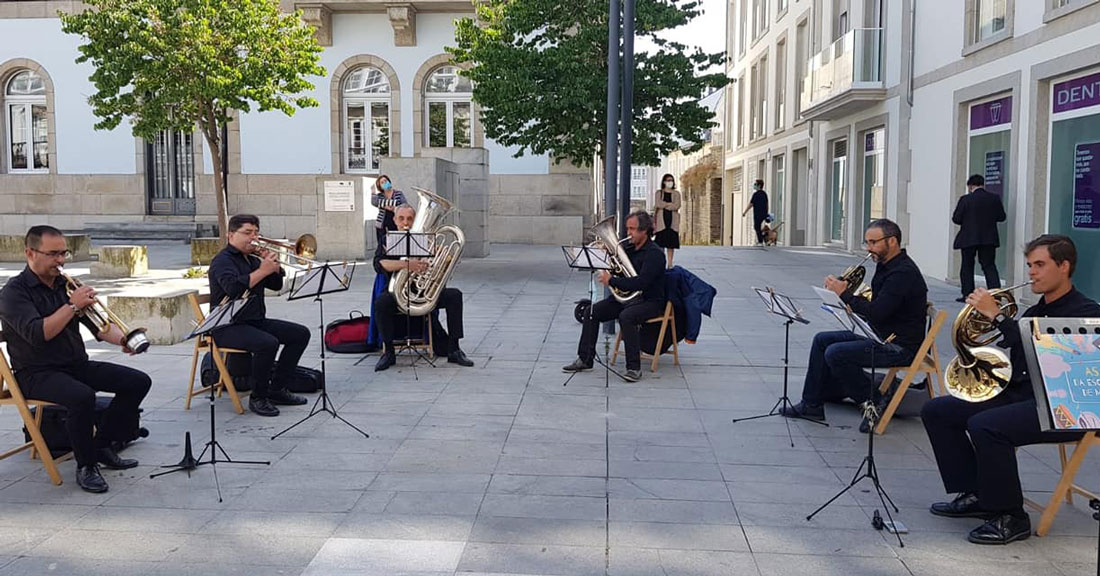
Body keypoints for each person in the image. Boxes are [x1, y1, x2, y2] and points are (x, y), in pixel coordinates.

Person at [922, 235, 1100, 545]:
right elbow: (1016, 352)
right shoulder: (1035, 311)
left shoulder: (1087, 313)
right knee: (938, 410)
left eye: (1040, 265)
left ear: (1064, 266)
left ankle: (1011, 517)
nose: (1032, 272)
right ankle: (978, 493)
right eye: (1030, 265)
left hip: (1063, 407)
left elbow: (1049, 352)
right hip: (1023, 395)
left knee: (987, 426)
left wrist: (998, 316)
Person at [0, 225, 151, 493]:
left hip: (74, 365)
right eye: (53, 254)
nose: (60, 261)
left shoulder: (67, 285)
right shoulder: (14, 292)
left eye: (64, 253)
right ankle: (86, 466)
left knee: (138, 381)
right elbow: (39, 334)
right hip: (35, 373)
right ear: (30, 253)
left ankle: (101, 445)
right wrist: (72, 306)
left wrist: (125, 340)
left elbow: (100, 328)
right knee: (81, 396)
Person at [780, 219, 928, 430]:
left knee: (836, 353)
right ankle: (811, 404)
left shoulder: (902, 274)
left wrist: (845, 295)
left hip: (898, 345)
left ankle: (874, 401)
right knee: (822, 340)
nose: (869, 249)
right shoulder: (886, 265)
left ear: (892, 241)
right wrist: (847, 300)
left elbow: (877, 313)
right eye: (867, 242)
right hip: (879, 333)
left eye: (874, 242)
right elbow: (878, 308)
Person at [208, 214, 310, 417]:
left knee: (300, 334)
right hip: (227, 325)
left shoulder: (253, 260)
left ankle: (277, 389)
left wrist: (273, 267)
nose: (253, 238)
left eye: (256, 232)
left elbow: (276, 285)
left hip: (254, 320)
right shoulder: (222, 261)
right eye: (247, 233)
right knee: (267, 343)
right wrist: (262, 271)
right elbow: (233, 289)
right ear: (230, 235)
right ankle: (258, 397)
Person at [562, 211, 666, 382]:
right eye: (627, 229)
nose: (628, 233)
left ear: (645, 231)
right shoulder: (627, 248)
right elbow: (616, 269)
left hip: (649, 301)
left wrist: (612, 281)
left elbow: (641, 283)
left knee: (627, 317)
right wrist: (602, 257)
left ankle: (633, 368)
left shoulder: (655, 254)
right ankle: (585, 359)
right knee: (590, 311)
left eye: (632, 229)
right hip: (626, 299)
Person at [372, 204, 475, 372]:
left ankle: (454, 349)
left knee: (454, 296)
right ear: (394, 220)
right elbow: (379, 264)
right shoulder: (387, 239)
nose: (406, 222)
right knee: (381, 304)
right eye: (401, 218)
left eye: (410, 219)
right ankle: (389, 352)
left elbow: (446, 261)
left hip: (424, 292)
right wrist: (408, 265)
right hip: (397, 292)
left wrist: (440, 254)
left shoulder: (426, 240)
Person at [953, 174, 1006, 303]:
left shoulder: (965, 199)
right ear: (983, 184)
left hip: (968, 238)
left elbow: (956, 219)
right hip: (988, 238)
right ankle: (995, 294)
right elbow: (1001, 217)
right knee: (989, 265)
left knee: (967, 266)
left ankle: (968, 294)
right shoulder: (994, 198)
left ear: (970, 186)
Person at [652, 173, 682, 268]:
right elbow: (658, 204)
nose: (670, 182)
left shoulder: (676, 193)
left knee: (671, 244)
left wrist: (665, 205)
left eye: (671, 180)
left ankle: (670, 263)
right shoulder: (659, 193)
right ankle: (661, 261)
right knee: (660, 244)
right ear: (664, 182)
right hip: (661, 222)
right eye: (668, 180)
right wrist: (669, 204)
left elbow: (677, 205)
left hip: (672, 221)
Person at [371, 174, 408, 248]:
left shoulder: (398, 194)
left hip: (395, 222)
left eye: (386, 181)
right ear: (380, 186)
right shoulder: (380, 196)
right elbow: (374, 202)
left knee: (396, 244)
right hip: (382, 223)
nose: (385, 183)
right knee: (382, 245)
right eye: (382, 182)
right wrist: (373, 192)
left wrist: (394, 208)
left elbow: (405, 205)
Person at [742, 179, 769, 245]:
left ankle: (761, 241)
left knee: (756, 226)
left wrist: (745, 212)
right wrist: (766, 213)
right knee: (758, 227)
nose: (754, 185)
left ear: (759, 185)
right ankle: (761, 239)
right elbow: (767, 204)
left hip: (757, 213)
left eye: (755, 184)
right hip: (763, 213)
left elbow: (751, 204)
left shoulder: (755, 194)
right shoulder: (764, 194)